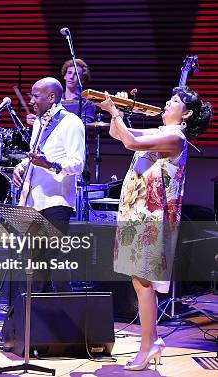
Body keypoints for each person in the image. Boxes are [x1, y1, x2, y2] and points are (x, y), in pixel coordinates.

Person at [97, 87, 212, 371]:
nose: (166, 103)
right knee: (139, 281)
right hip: (138, 213)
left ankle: (147, 345)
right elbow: (118, 135)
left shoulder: (175, 137)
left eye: (174, 102)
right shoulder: (162, 130)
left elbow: (131, 143)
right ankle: (154, 341)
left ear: (186, 114)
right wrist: (119, 115)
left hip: (153, 217)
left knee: (144, 282)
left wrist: (115, 112)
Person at [12, 77, 86, 291]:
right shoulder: (39, 122)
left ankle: (65, 317)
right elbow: (37, 154)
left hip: (56, 202)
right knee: (36, 266)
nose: (32, 101)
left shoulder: (71, 122)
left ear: (51, 97)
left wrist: (49, 164)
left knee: (56, 264)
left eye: (36, 96)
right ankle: (36, 319)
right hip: (34, 201)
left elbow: (78, 163)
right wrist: (22, 166)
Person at [25, 59, 95, 126]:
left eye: (76, 74)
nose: (71, 77)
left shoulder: (86, 103)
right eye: (69, 73)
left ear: (82, 79)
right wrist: (37, 120)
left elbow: (84, 127)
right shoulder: (53, 100)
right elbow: (45, 121)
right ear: (65, 75)